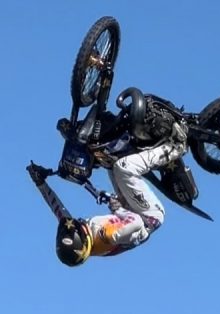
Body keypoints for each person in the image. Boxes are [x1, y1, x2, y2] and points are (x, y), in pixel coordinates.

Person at [54, 91, 188, 267]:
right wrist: (119, 209)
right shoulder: (107, 234)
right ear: (81, 240)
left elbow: (58, 211)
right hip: (148, 215)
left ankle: (138, 136)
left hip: (130, 211)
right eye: (76, 226)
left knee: (109, 161)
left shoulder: (81, 235)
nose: (77, 221)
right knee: (123, 168)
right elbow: (138, 223)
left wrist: (39, 182)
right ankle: (175, 147)